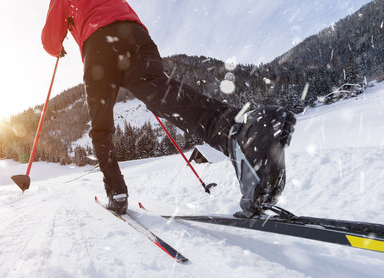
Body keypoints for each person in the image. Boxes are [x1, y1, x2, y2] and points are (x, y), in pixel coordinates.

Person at [41, 0, 296, 217]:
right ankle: (243, 130)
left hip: (99, 45)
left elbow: (50, 40)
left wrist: (59, 45)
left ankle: (117, 193)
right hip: (135, 35)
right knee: (164, 96)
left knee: (101, 127)